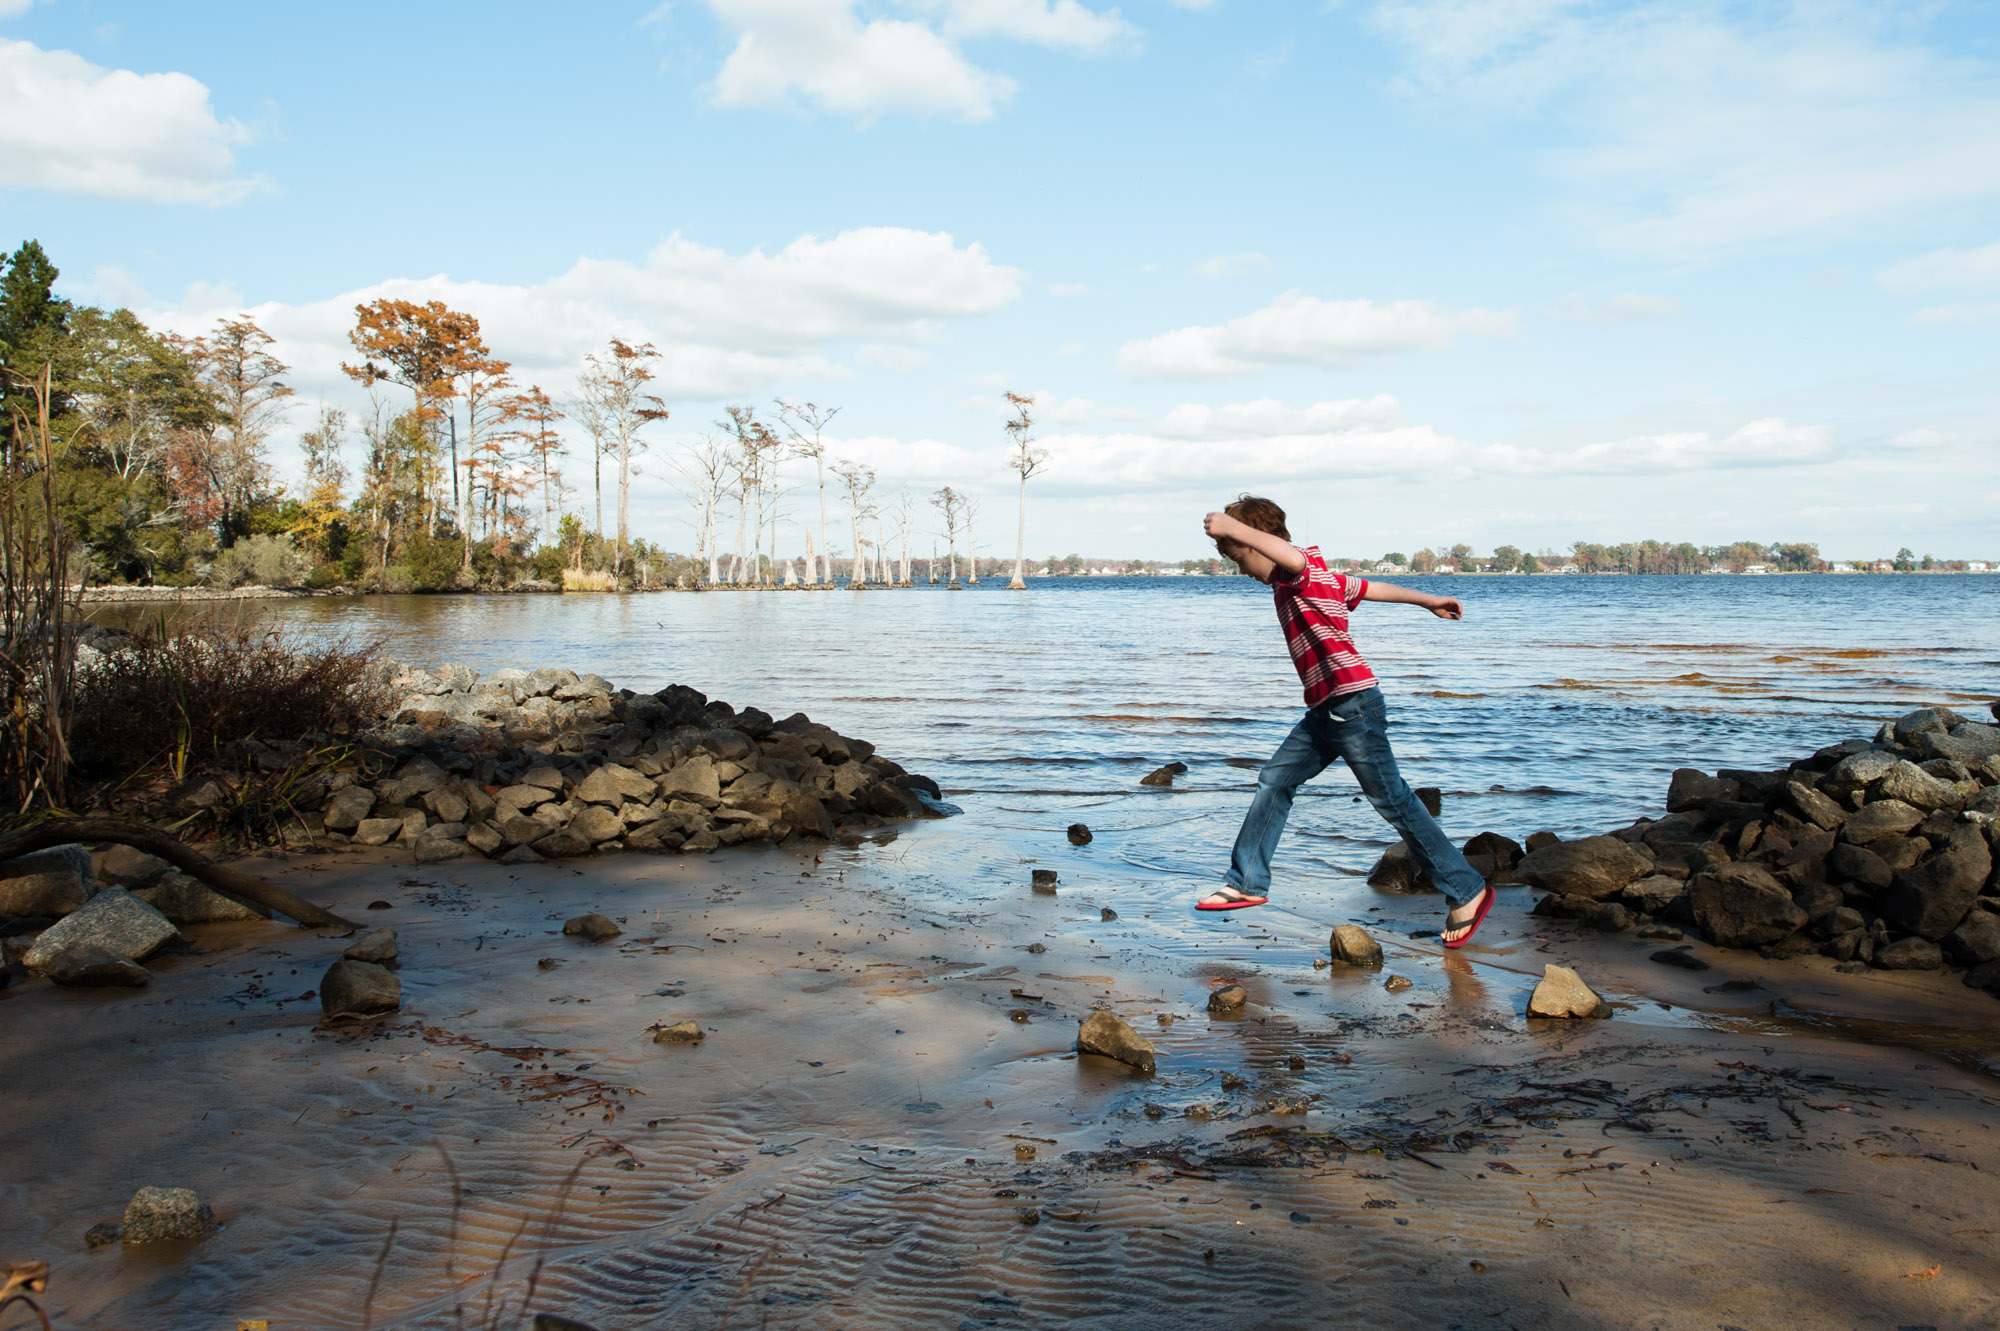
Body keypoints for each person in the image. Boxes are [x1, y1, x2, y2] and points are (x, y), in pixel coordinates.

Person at [1198, 497, 1495, 949]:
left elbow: (1289, 554)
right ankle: (1247, 882)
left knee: (1393, 801)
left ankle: (1467, 890)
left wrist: (1231, 527)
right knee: (1274, 781)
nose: (1241, 569)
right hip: (1325, 711)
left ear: (1257, 543)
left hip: (1352, 705)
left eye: (1239, 556)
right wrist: (1428, 600)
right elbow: (1369, 588)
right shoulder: (1311, 579)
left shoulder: (1302, 572)